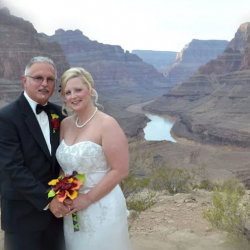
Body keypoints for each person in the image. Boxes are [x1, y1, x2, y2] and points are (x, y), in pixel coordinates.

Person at [56, 67, 131, 250]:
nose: (73, 96)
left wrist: (88, 198)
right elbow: (63, 166)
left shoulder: (107, 124)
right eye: (68, 92)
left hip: (101, 206)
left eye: (78, 90)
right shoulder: (65, 124)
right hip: (72, 209)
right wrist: (61, 194)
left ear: (91, 89)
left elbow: (120, 170)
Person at [0, 56, 70, 250]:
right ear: (25, 80)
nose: (44, 84)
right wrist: (49, 200)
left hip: (56, 220)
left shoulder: (60, 114)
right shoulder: (6, 117)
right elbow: (13, 168)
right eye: (38, 78)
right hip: (21, 217)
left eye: (50, 80)